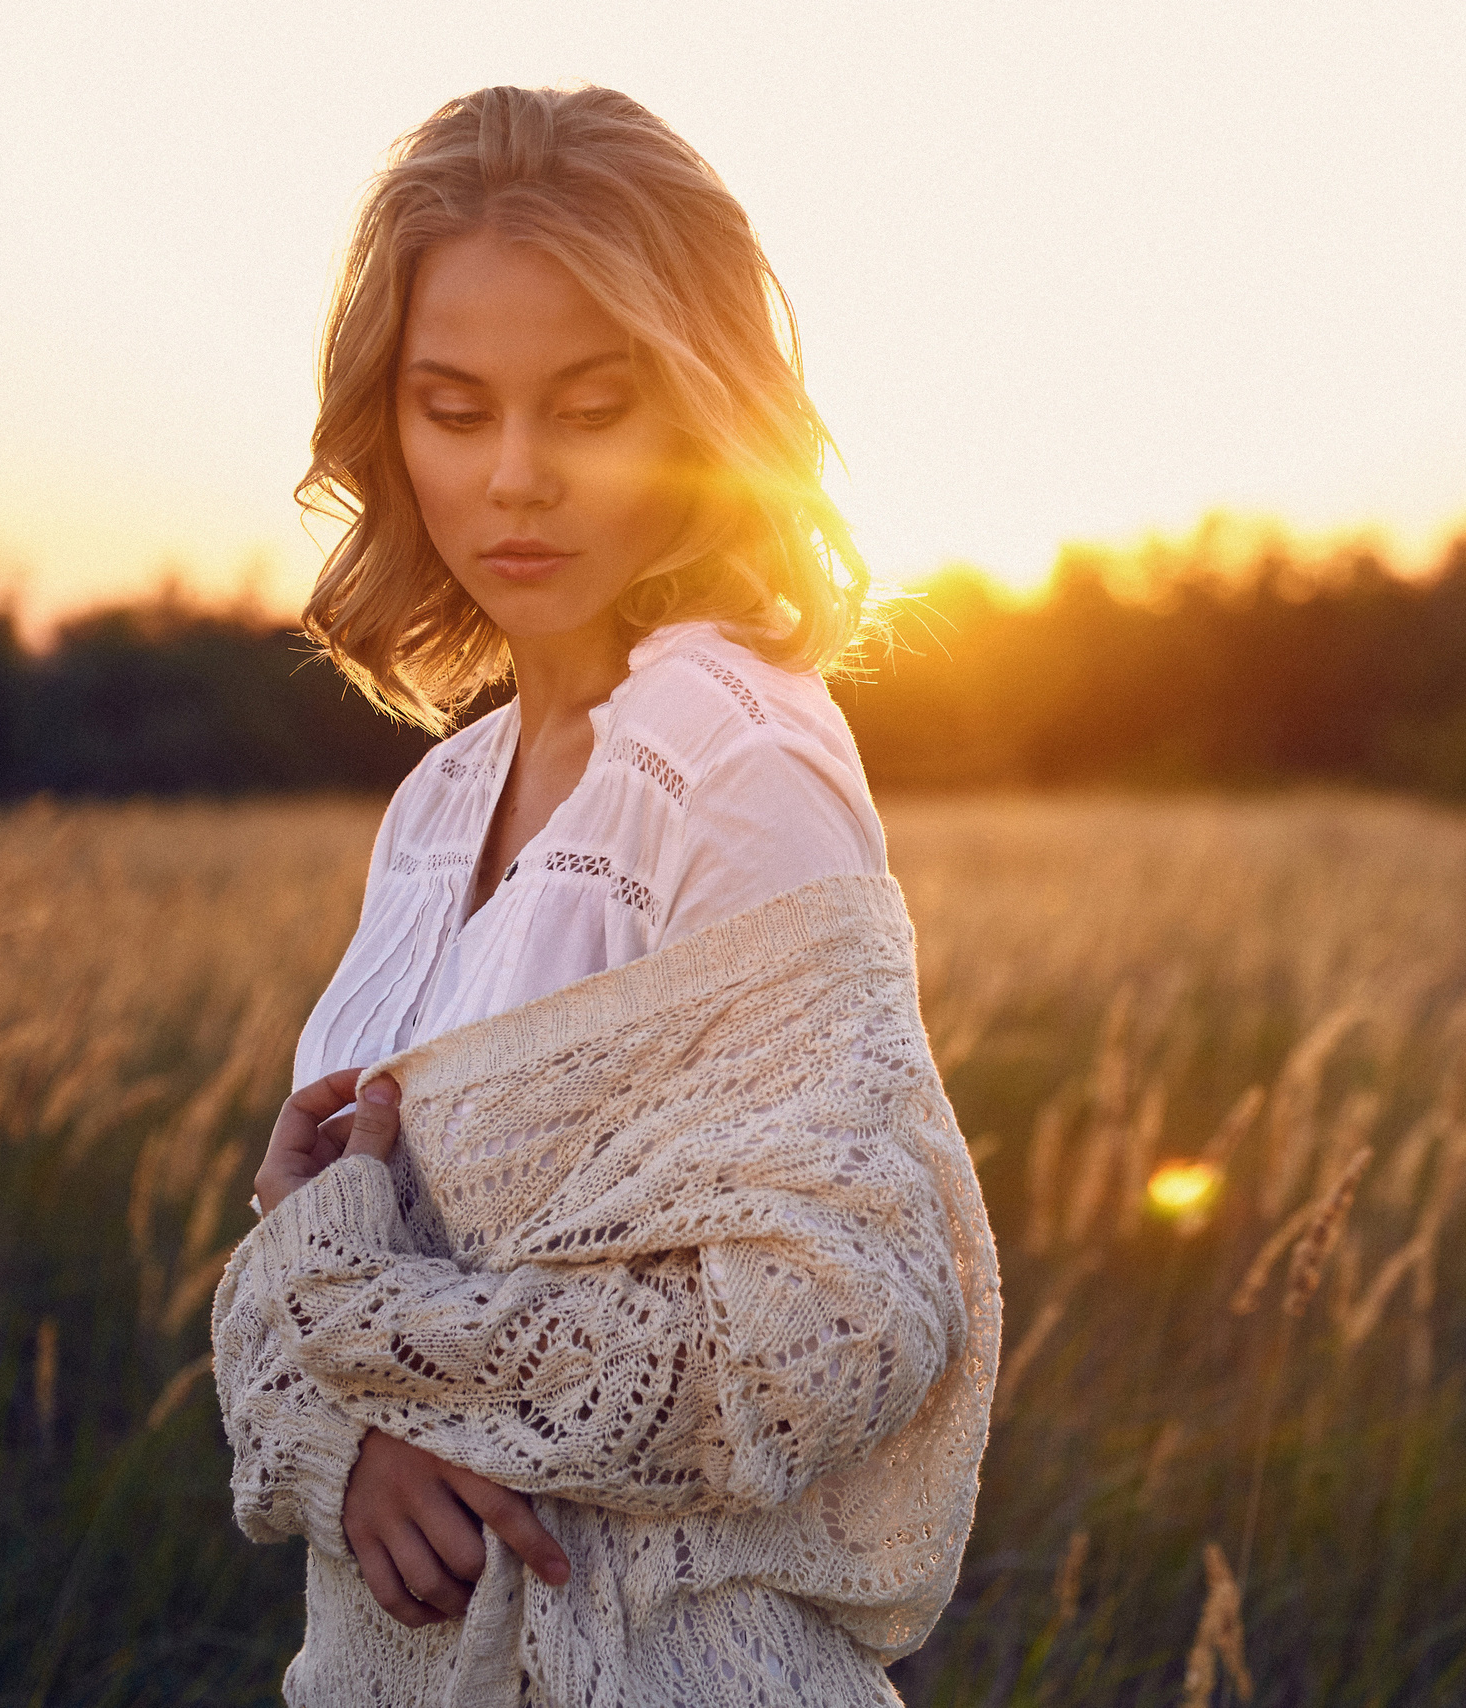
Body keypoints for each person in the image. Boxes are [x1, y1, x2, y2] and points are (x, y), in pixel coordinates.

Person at [209, 85, 999, 1708]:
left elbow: (829, 1339)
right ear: (389, 424)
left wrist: (359, 1309)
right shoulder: (439, 801)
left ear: (704, 414)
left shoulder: (735, 751)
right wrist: (340, 1438)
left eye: (589, 407)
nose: (513, 477)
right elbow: (306, 1287)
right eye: (453, 406)